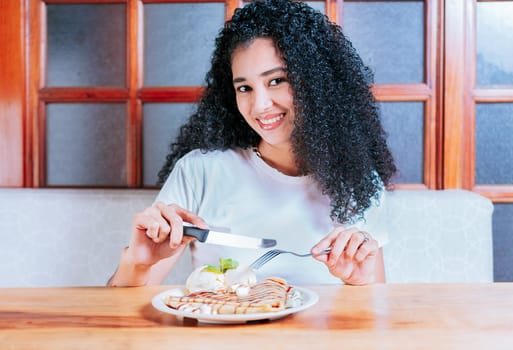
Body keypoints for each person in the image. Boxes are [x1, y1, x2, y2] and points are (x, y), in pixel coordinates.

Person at [108, 0, 396, 287]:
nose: (260, 105)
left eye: (276, 81)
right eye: (244, 88)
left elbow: (376, 317)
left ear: (317, 82)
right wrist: (137, 263)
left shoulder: (359, 182)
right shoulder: (199, 172)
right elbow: (118, 315)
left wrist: (362, 281)